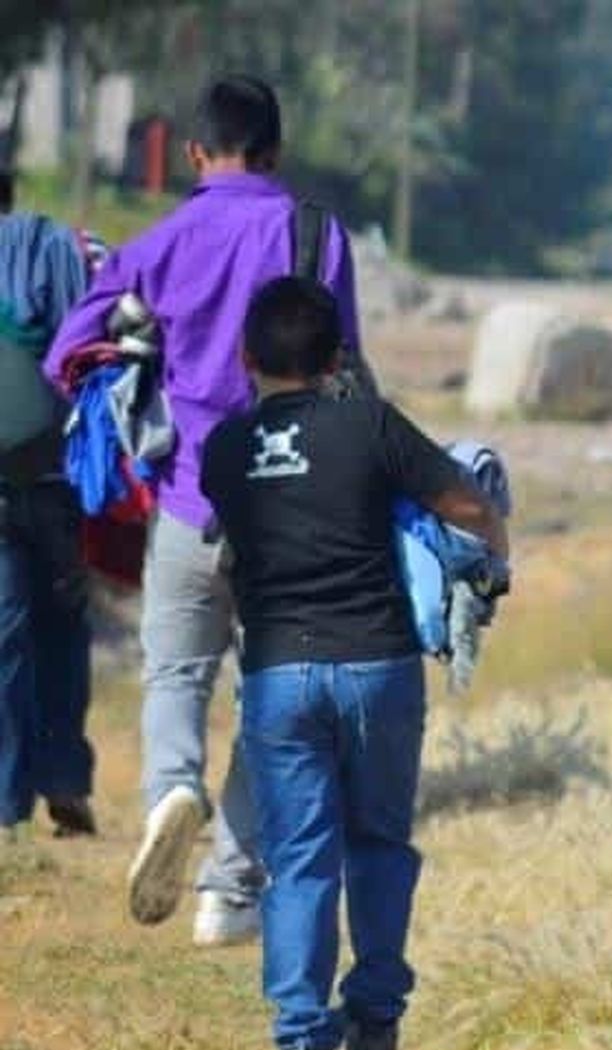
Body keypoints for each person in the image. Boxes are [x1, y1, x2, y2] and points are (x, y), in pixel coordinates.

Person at [46, 75, 363, 945]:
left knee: (176, 674)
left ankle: (170, 791)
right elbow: (349, 367)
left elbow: (69, 353)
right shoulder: (316, 234)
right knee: (274, 697)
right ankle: (229, 887)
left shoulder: (161, 240)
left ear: (194, 153)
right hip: (293, 515)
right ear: (277, 149)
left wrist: (142, 348)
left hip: (191, 502)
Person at [201, 276, 507, 1050]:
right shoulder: (369, 424)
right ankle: (374, 1026)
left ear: (245, 357)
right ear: (338, 355)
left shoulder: (222, 449)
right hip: (377, 666)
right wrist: (494, 554)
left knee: (299, 859)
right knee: (378, 844)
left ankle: (303, 1049)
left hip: (277, 674)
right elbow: (464, 502)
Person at [0, 171, 97, 840]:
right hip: (57, 472)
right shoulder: (63, 250)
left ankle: (7, 801)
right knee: (61, 624)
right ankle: (61, 775)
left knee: (7, 634)